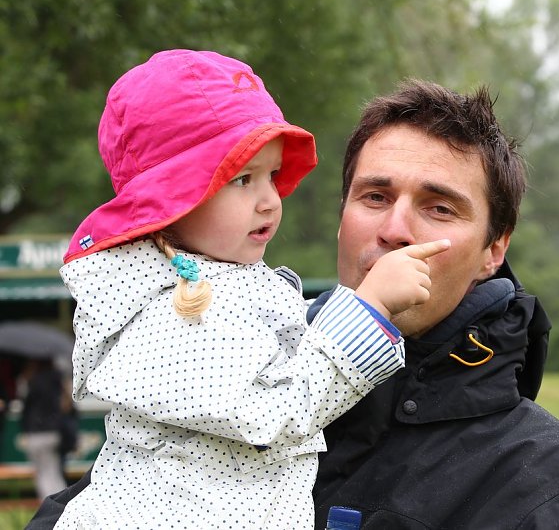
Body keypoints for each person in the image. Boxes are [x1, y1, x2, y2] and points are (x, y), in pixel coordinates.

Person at [28, 79, 559, 529]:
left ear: (492, 251)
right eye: (374, 196)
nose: (396, 229)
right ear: (342, 218)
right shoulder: (224, 366)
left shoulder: (554, 494)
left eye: (439, 207)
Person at [49, 50, 449, 529]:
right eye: (241, 178)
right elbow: (271, 411)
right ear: (169, 200)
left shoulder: (208, 279)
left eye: (272, 175)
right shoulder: (171, 307)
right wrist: (370, 308)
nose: (269, 200)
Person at [17, 359, 67, 499]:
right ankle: (60, 503)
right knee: (53, 471)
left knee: (43, 474)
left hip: (37, 432)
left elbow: (26, 404)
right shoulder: (56, 380)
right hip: (53, 431)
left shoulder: (34, 381)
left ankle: (48, 505)